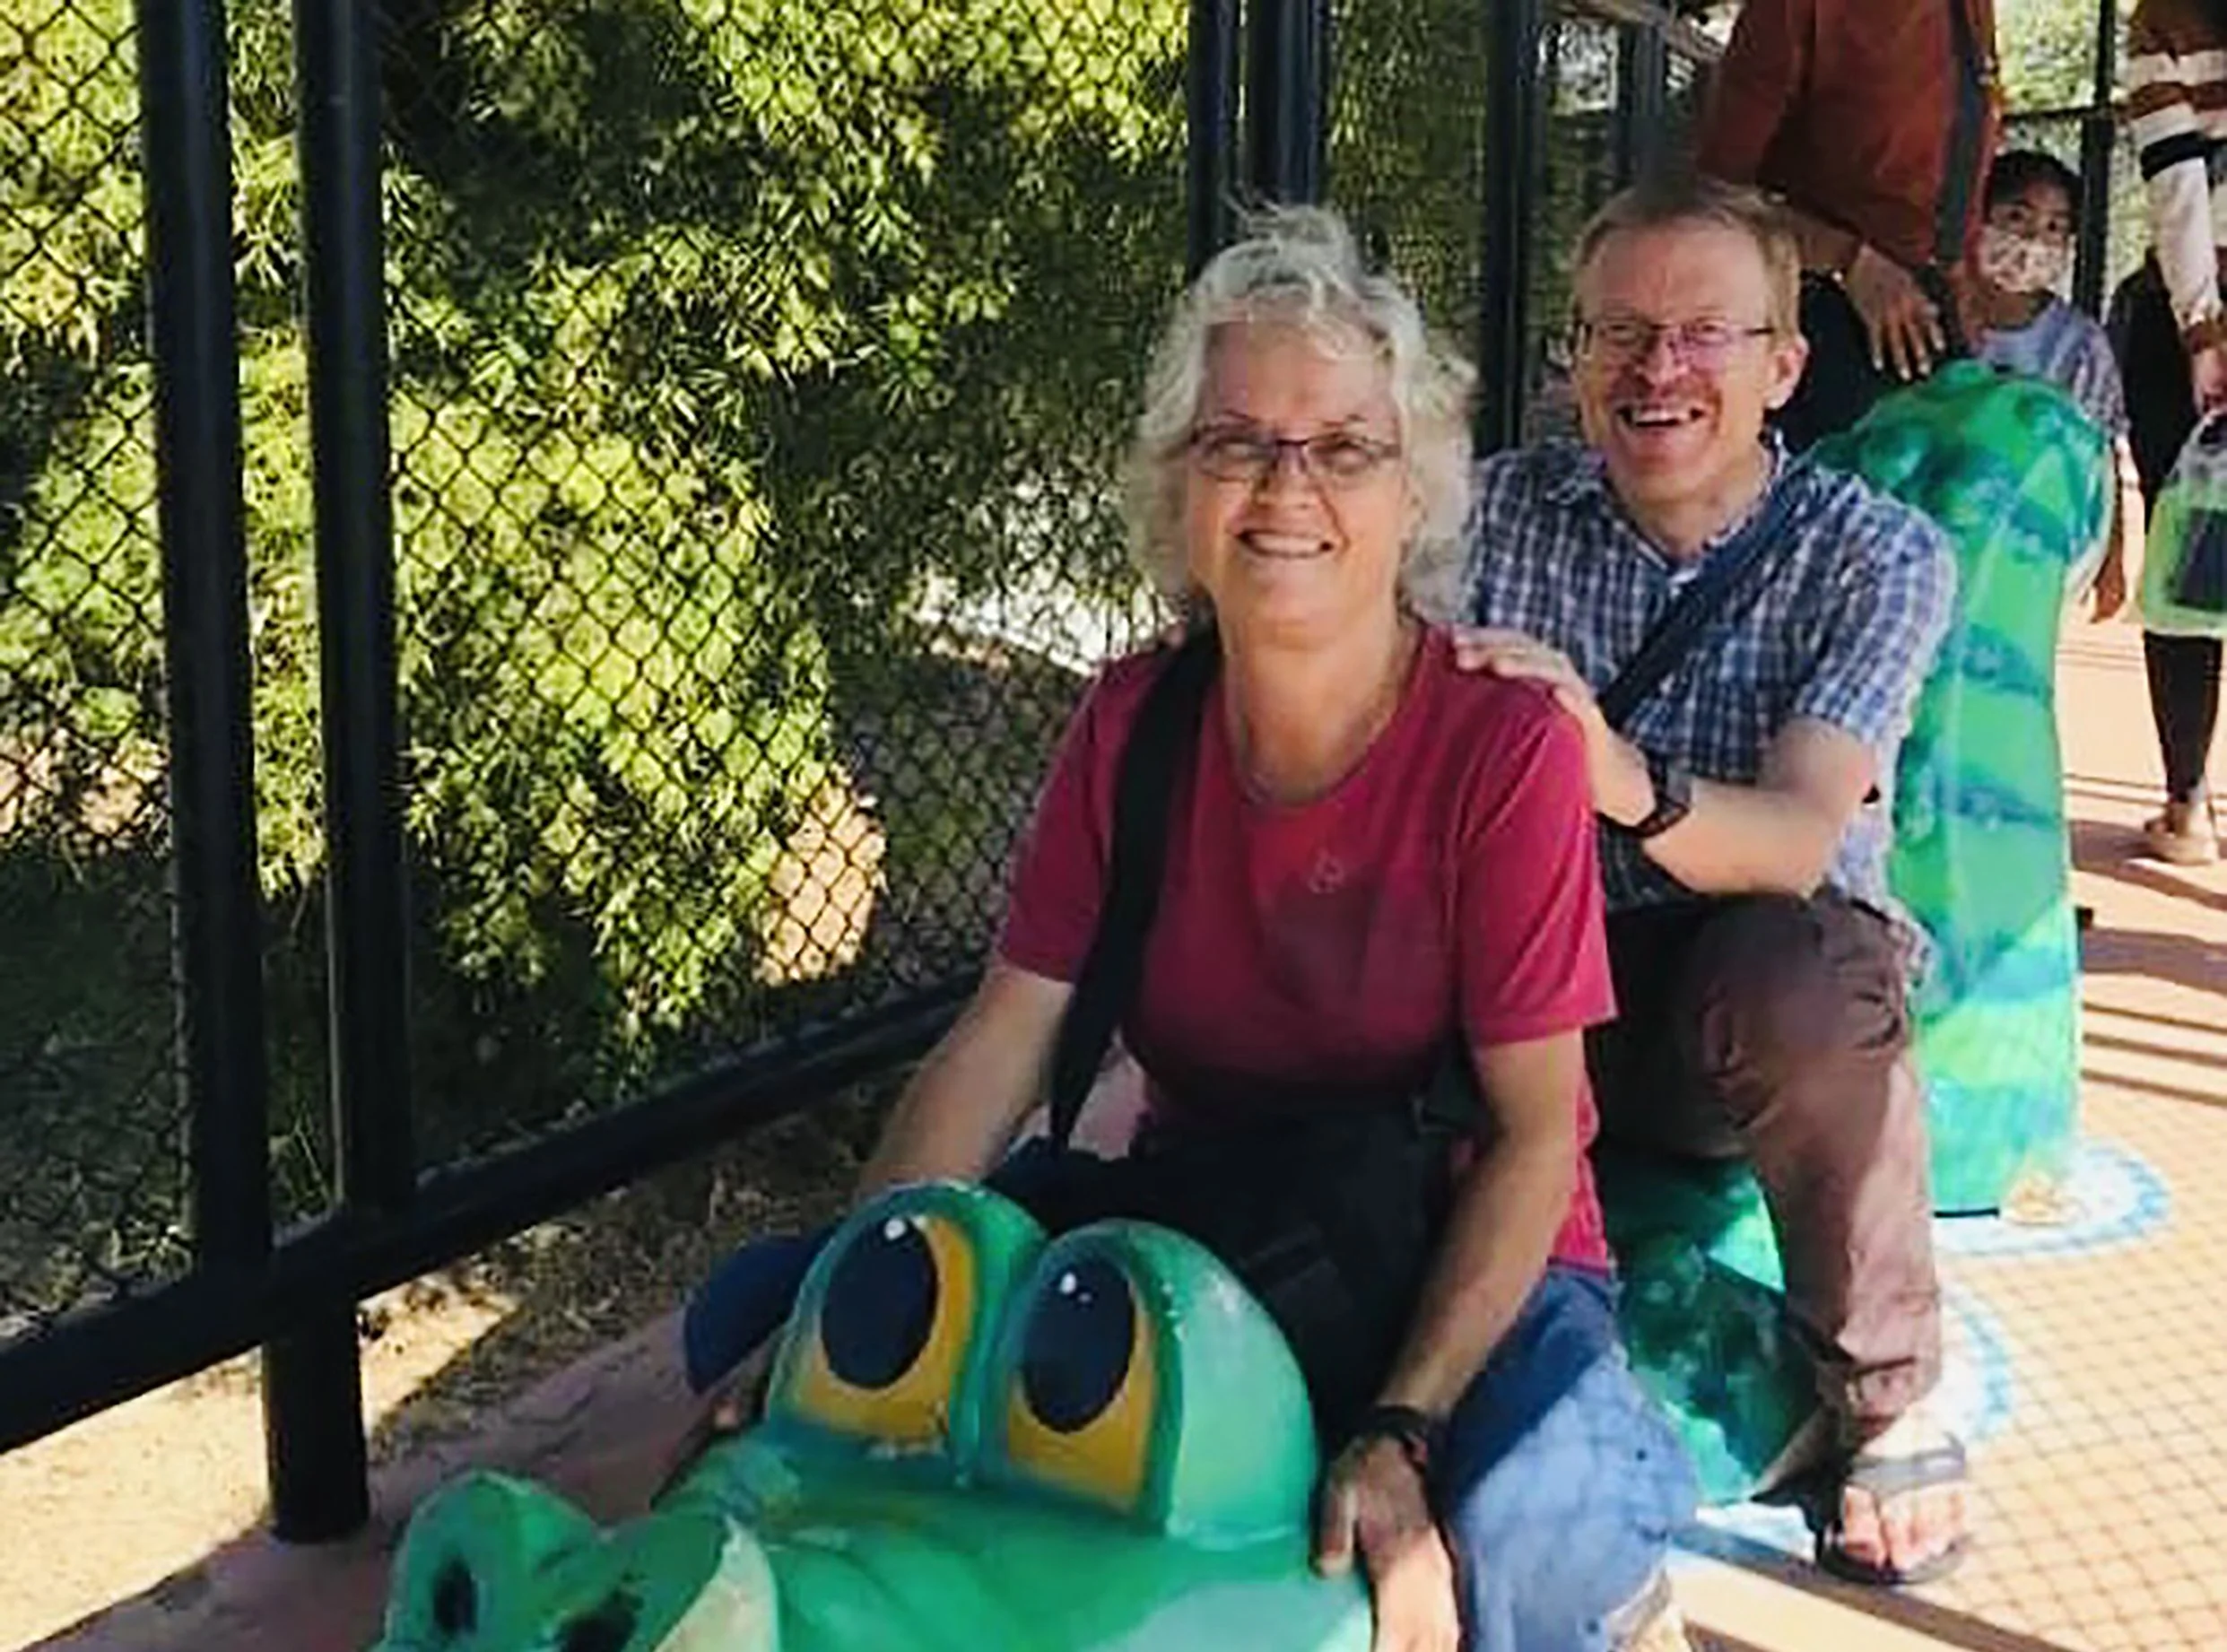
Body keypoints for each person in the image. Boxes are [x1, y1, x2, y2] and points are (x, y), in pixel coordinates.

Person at [680, 207, 1700, 1652]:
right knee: (762, 1320)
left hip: (1455, 1249)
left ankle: (1626, 1582)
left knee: (1532, 1532)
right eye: (1238, 442)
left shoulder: (1502, 745)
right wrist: (847, 1308)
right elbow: (1004, 1034)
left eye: (1341, 446)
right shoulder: (1130, 723)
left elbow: (1537, 1136)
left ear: (1413, 491)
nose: (1287, 486)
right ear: (1179, 485)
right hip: (1213, 1227)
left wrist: (1400, 1425)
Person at [1457, 175, 1967, 1588]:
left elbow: (1800, 836)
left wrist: (1608, 770)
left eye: (1701, 334)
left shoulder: (1874, 551)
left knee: (1796, 966)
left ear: (1782, 366)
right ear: (1572, 359)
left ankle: (1883, 1392)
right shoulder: (1487, 513)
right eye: (1616, 332)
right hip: (1520, 990)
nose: (1655, 368)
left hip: (1734, 998)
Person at [1694, 0, 2001, 450]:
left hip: (1928, 325)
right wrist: (1849, 259)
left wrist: (1964, 279)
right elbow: (1713, 202)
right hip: (1821, 316)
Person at [2117, 0, 2227, 862]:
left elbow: (2176, 183)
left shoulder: (2169, 19)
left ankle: (2186, 805)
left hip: (2188, 329)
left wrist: (2202, 329)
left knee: (2193, 562)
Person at [1970, 148, 2135, 623]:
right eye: (2016, 217)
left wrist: (2111, 558)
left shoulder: (2079, 343)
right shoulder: (1929, 314)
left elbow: (2100, 453)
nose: (2033, 240)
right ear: (1978, 217)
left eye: (2054, 227)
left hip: (2029, 543)